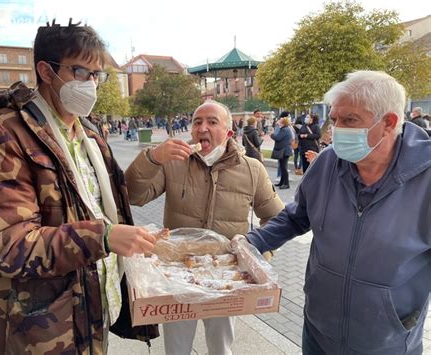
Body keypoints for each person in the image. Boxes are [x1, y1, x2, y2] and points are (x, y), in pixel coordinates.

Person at [0, 20, 156, 354]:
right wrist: (103, 237)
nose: (92, 84)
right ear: (46, 71)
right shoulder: (3, 134)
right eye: (81, 72)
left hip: (93, 310)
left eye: (98, 75)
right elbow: (7, 245)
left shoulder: (90, 135)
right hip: (39, 330)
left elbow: (109, 203)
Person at [233, 70, 431, 355]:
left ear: (389, 122)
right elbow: (295, 217)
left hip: (387, 343)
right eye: (336, 120)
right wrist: (252, 243)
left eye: (350, 120)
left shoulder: (425, 180)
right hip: (318, 332)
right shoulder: (327, 162)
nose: (337, 131)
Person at [125, 100, 285, 355]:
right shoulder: (174, 163)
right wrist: (153, 158)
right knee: (177, 349)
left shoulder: (252, 170)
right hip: (178, 274)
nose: (202, 128)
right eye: (197, 122)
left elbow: (277, 218)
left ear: (229, 132)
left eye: (212, 122)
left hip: (225, 277)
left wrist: (257, 252)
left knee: (221, 348)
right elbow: (133, 195)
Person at [271, 112, 294, 189]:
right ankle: (282, 182)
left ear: (283, 123)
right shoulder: (285, 129)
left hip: (284, 151)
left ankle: (286, 184)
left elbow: (277, 138)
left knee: (284, 168)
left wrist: (271, 134)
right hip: (284, 150)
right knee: (282, 167)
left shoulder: (284, 130)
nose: (279, 121)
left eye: (280, 121)